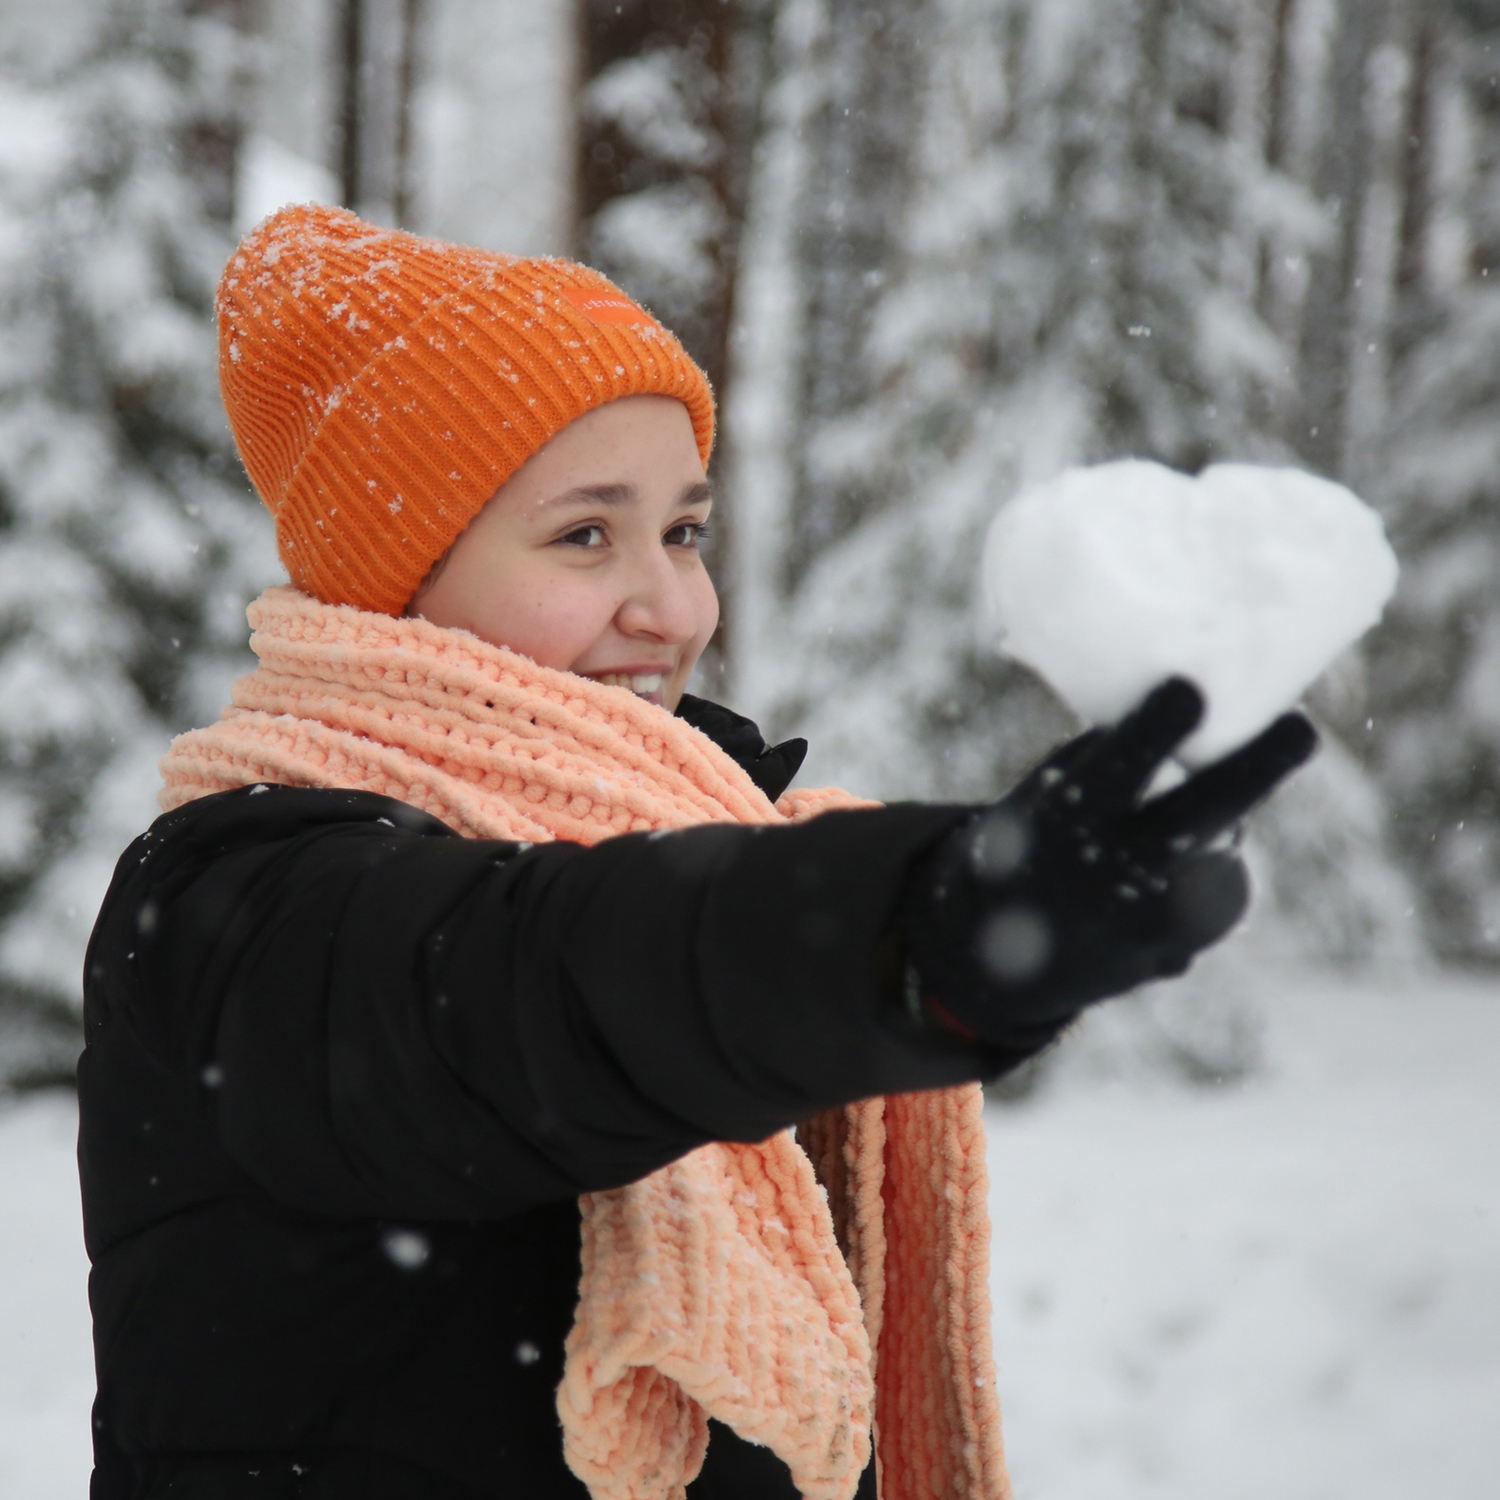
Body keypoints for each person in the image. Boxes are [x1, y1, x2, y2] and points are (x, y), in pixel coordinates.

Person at [79, 205, 1316, 1500]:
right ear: (397, 574)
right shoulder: (248, 891)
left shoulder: (707, 827)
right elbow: (552, 977)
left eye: (682, 531)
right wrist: (912, 925)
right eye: (583, 534)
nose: (669, 606)